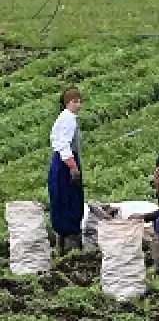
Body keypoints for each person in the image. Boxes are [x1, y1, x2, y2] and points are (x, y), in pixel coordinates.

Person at [48, 87, 85, 254]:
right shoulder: (69, 119)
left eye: (79, 101)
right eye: (76, 101)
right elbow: (63, 144)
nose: (79, 105)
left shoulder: (64, 117)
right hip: (66, 162)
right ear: (68, 103)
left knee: (62, 198)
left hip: (61, 161)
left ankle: (62, 241)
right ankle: (71, 243)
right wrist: (73, 167)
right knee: (70, 198)